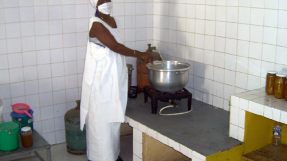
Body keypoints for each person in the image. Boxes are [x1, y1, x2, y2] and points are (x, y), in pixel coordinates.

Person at [80, 0, 154, 161]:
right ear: (95, 4)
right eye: (102, 0)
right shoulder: (96, 24)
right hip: (100, 81)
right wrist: (140, 54)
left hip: (113, 78)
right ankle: (99, 157)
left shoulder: (113, 21)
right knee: (100, 122)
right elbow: (115, 47)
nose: (106, 3)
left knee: (112, 119)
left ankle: (112, 155)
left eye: (108, 0)